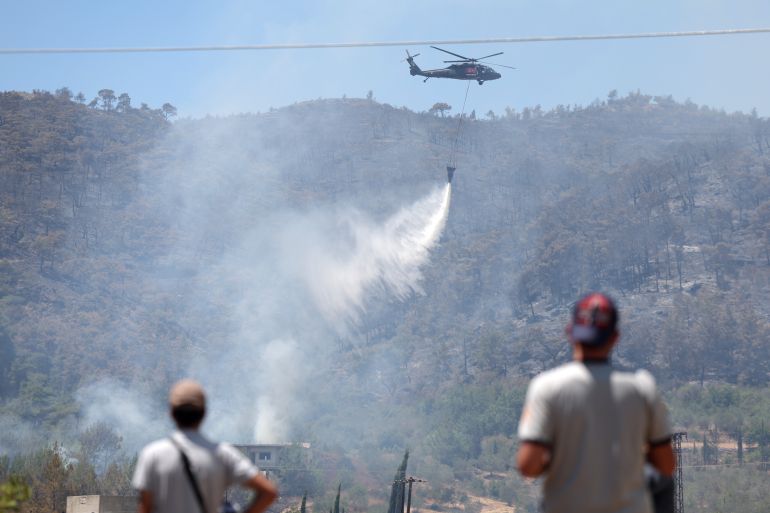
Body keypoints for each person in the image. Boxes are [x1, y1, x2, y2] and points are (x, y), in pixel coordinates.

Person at [516, 293, 675, 513]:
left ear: (570, 333)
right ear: (615, 338)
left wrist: (559, 458)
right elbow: (666, 465)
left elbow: (528, 465)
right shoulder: (642, 387)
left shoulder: (547, 387)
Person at [132, 379, 278, 513]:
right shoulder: (222, 454)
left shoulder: (152, 455)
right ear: (204, 413)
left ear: (171, 413)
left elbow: (145, 506)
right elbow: (269, 492)